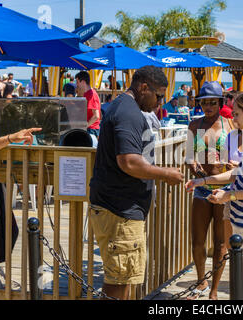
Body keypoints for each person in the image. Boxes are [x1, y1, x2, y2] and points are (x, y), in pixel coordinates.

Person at [88, 65, 184, 300]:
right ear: (143, 87)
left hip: (118, 208)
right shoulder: (129, 113)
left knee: (122, 278)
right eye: (158, 95)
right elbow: (129, 162)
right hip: (119, 211)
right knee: (118, 281)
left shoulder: (122, 106)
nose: (160, 103)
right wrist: (166, 174)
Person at [186, 91, 243, 300]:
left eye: (237, 114)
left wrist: (230, 196)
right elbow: (237, 173)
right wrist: (203, 181)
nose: (233, 119)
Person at [184, 81, 233, 300]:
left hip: (224, 189)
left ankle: (214, 290)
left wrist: (233, 164)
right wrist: (193, 165)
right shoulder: (194, 126)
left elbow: (242, 158)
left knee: (221, 243)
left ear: (220, 102)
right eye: (204, 103)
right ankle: (201, 280)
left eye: (213, 102)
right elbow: (187, 156)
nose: (208, 106)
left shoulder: (231, 125)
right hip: (202, 189)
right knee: (198, 240)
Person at [75, 71, 101, 138]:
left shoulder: (91, 94)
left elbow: (96, 116)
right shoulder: (87, 94)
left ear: (83, 82)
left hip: (91, 130)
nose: (76, 85)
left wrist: (84, 126)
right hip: (89, 128)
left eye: (77, 82)